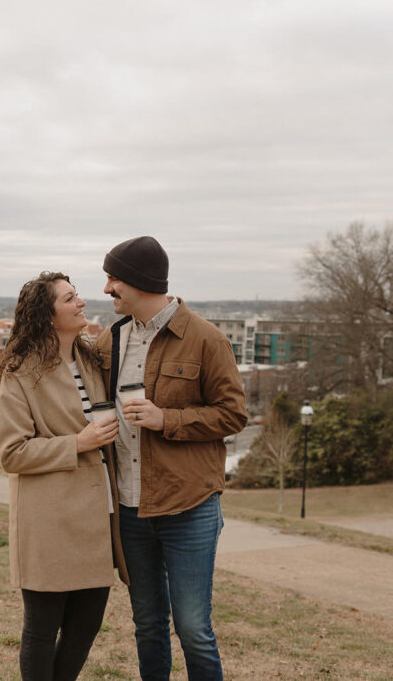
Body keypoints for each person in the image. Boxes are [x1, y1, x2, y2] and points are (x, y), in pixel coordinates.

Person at [95, 236, 247, 681]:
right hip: (129, 507)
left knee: (194, 628)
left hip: (189, 507)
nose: (106, 289)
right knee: (148, 626)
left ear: (139, 282)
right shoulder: (111, 339)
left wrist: (167, 419)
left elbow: (234, 414)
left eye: (113, 279)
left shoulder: (206, 339)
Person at [0, 271, 129, 681]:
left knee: (86, 627)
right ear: (47, 315)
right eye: (70, 299)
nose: (81, 302)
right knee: (41, 629)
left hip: (97, 518)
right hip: (48, 522)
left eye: (77, 295)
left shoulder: (91, 360)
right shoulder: (20, 372)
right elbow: (11, 452)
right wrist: (78, 443)